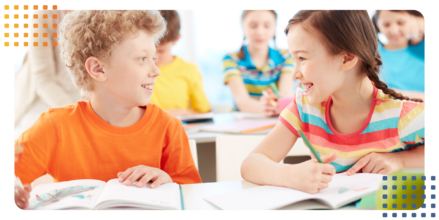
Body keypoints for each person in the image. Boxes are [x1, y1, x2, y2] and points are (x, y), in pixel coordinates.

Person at [14, 9, 201, 210]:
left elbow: (191, 197)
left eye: (153, 58)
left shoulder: (169, 128)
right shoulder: (54, 126)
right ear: (98, 69)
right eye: (141, 59)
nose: (156, 71)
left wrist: (167, 180)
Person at [241, 9, 425, 194]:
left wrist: (401, 160)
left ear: (347, 58)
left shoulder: (400, 115)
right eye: (294, 59)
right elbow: (251, 164)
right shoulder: (306, 107)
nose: (295, 73)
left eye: (302, 58)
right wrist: (289, 174)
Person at [14, 9, 81, 138]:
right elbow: (43, 80)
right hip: (44, 99)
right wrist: (77, 115)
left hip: (85, 100)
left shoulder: (106, 16)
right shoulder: (44, 15)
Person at [223, 9, 295, 116]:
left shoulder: (287, 57)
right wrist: (267, 107)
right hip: (242, 120)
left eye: (267, 26)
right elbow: (242, 101)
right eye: (253, 26)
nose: (260, 32)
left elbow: (285, 94)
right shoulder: (231, 59)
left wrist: (276, 104)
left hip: (275, 120)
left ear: (275, 27)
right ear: (243, 26)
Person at [151, 9, 210, 117]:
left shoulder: (189, 70)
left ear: (176, 39)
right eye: (150, 49)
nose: (154, 56)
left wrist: (184, 113)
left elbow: (205, 112)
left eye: (161, 51)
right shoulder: (137, 71)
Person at [373, 9, 425, 101]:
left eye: (401, 23)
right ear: (377, 23)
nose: (394, 31)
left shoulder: (422, 49)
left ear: (413, 19)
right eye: (386, 25)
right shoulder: (372, 55)